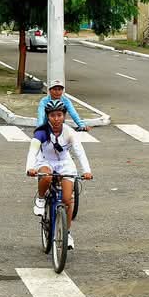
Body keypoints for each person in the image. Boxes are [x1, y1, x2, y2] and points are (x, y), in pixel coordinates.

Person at [25, 101, 93, 250]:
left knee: (67, 200)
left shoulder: (70, 132)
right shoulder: (41, 132)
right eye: (52, 115)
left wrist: (87, 171)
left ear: (64, 116)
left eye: (59, 115)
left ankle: (67, 233)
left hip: (64, 163)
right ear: (47, 116)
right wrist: (30, 168)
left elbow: (79, 152)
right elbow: (33, 151)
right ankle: (41, 199)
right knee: (47, 176)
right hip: (45, 161)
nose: (56, 119)